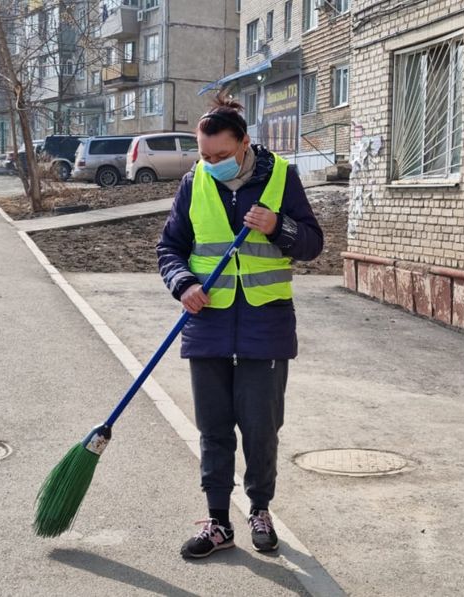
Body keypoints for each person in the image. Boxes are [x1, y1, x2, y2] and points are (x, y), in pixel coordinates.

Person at [156, 90, 323, 559]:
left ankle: (260, 510)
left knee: (260, 427)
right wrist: (183, 283)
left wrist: (278, 227)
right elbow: (169, 247)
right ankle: (217, 522)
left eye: (222, 155)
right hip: (206, 324)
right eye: (205, 156)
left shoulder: (283, 179)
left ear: (245, 143)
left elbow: (312, 243)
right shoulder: (194, 182)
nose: (212, 163)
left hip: (264, 327)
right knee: (212, 430)